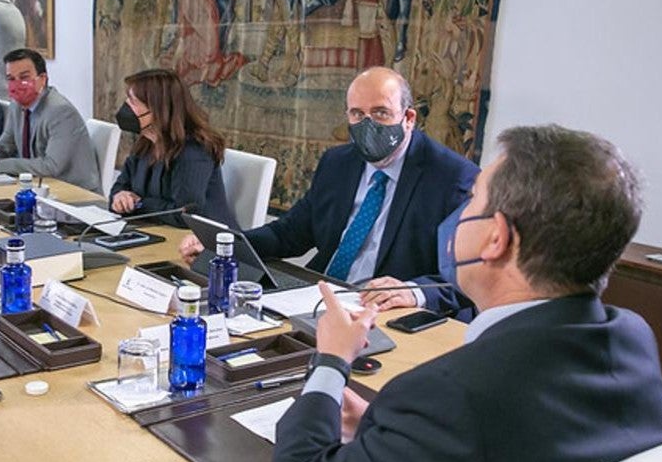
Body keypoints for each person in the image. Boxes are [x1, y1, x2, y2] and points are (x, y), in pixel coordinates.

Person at [260, 124, 662, 462]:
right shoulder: (633, 340)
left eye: (472, 200)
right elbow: (513, 449)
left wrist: (331, 364)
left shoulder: (451, 396)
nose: (457, 218)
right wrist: (392, 429)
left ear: (496, 238)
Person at [179, 66, 478, 314]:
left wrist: (414, 292)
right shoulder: (338, 162)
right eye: (357, 114)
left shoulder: (452, 178)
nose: (367, 125)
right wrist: (226, 245)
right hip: (318, 295)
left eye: (381, 113)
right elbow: (290, 233)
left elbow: (472, 275)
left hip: (385, 312)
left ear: (409, 118)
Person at [109, 68, 237, 228]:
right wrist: (120, 197)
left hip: (205, 239)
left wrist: (138, 204)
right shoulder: (145, 143)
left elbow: (184, 214)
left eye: (132, 101)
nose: (125, 106)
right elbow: (120, 186)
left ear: (157, 109)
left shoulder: (193, 152)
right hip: (158, 231)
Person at [0, 48, 101, 192]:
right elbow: (3, 146)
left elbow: (50, 166)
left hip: (74, 193)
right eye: (11, 79)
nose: (17, 84)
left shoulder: (61, 112)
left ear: (42, 79)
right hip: (37, 187)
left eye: (24, 77)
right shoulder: (16, 106)